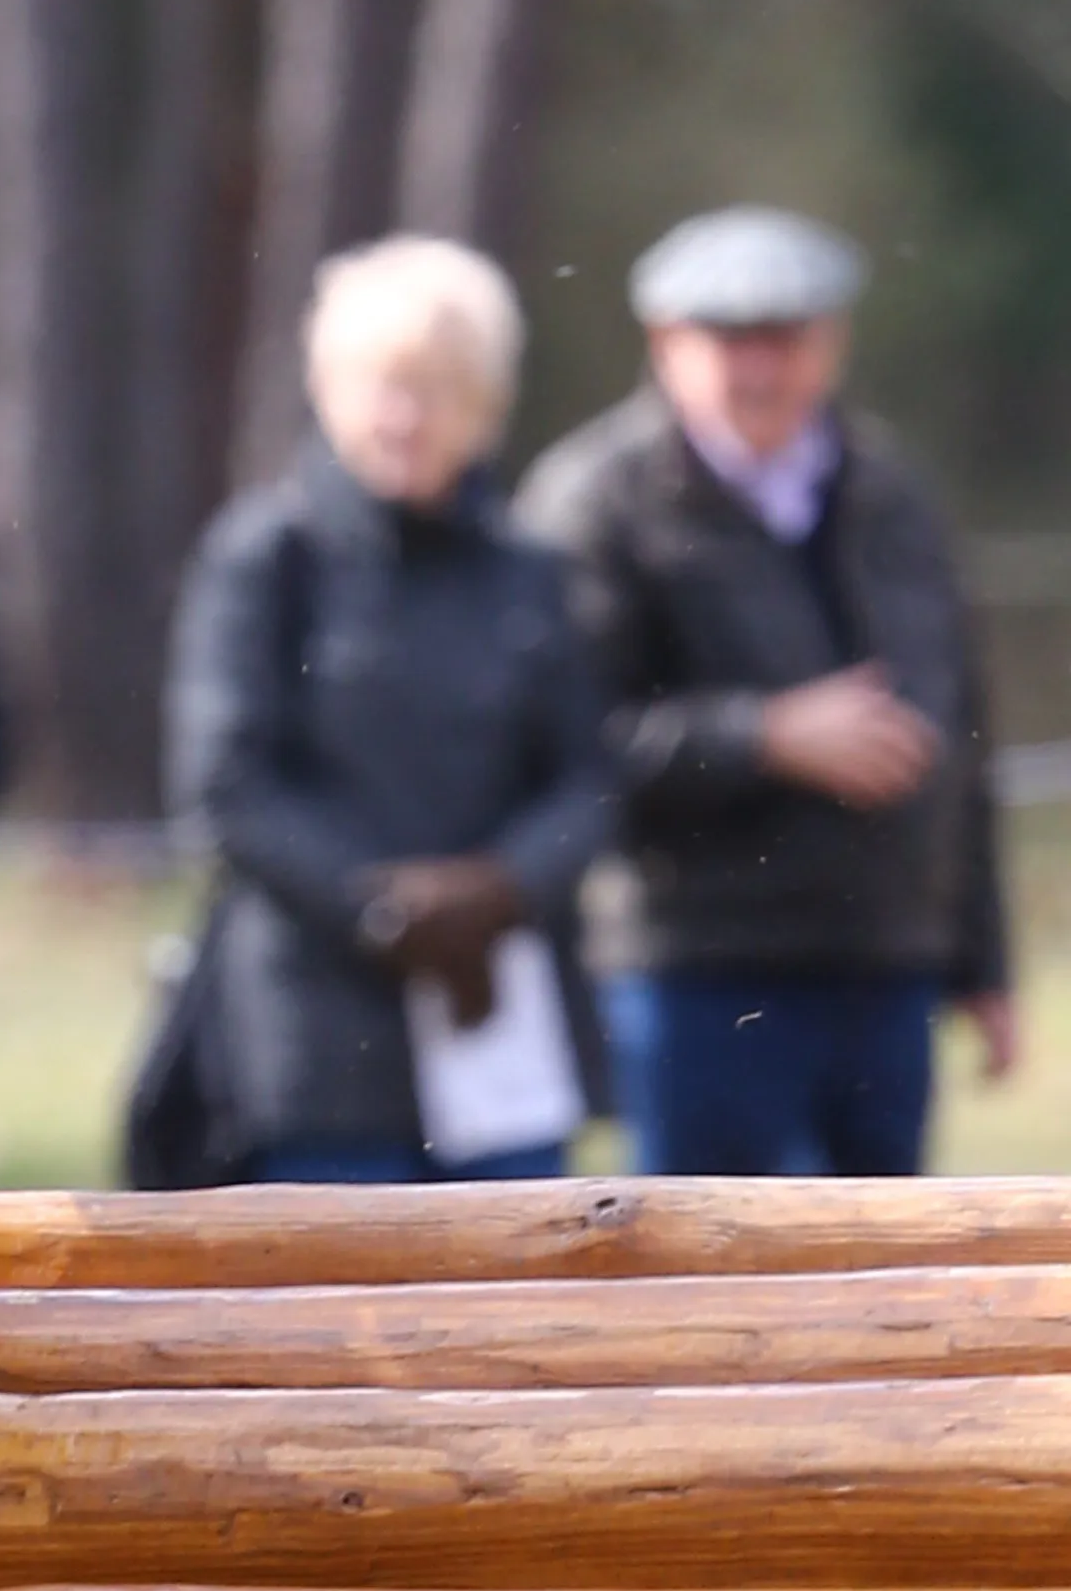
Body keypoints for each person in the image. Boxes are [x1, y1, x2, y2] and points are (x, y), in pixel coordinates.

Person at [515, 206, 1013, 1176]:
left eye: (784, 337)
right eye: (730, 338)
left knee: (883, 1264)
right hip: (697, 970)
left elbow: (966, 734)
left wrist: (981, 962)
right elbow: (565, 745)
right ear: (666, 341)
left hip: (884, 965)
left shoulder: (894, 493)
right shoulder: (596, 503)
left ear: (833, 341)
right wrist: (763, 737)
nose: (759, 368)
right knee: (707, 1257)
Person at [142, 235, 611, 1184]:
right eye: (382, 386)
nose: (404, 417)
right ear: (328, 390)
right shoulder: (265, 559)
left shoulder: (531, 573)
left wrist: (499, 891)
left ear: (485, 405)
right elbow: (226, 788)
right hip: (313, 1044)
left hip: (496, 1032)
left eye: (435, 389)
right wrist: (384, 911)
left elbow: (587, 781)